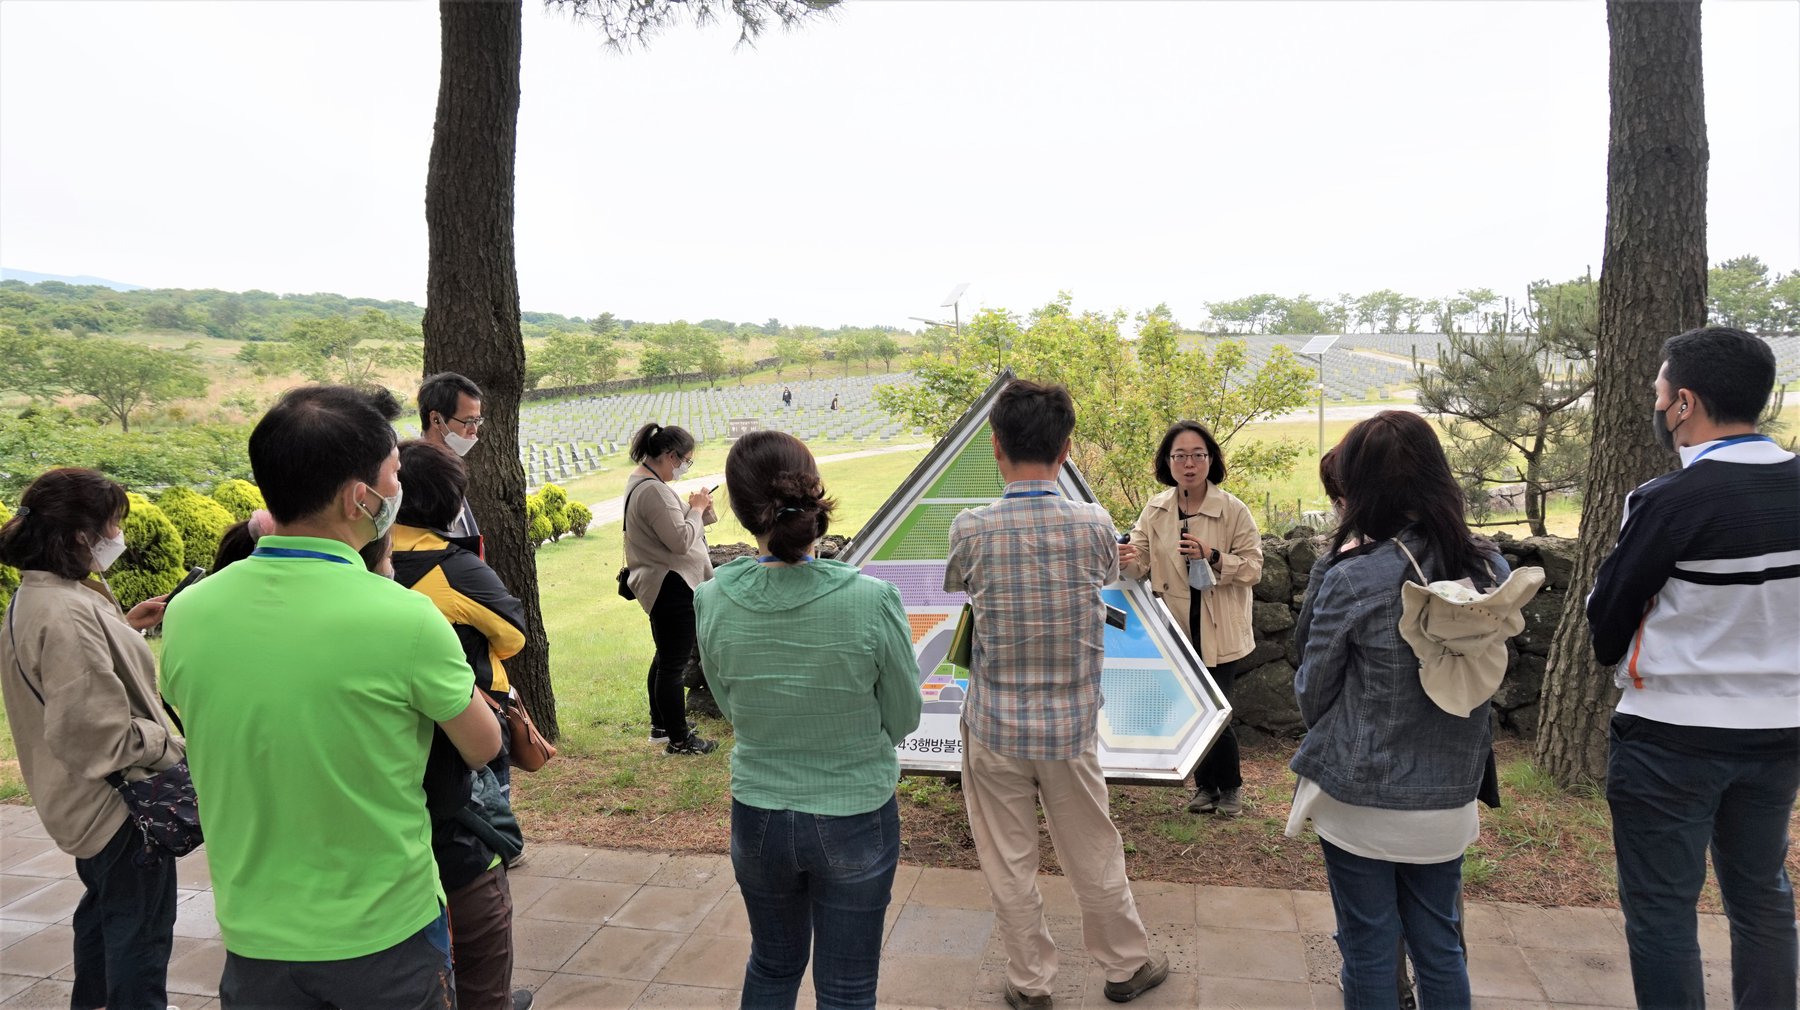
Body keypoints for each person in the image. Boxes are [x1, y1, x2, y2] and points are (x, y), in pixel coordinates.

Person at [162, 385, 501, 1007]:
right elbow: (482, 744)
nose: (398, 490)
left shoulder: (188, 612)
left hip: (254, 932)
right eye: (393, 474)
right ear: (359, 498)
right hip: (384, 931)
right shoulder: (403, 617)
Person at [1587, 326, 1798, 1010]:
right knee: (1762, 893)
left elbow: (1609, 616)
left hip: (1671, 735)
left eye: (1658, 393)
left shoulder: (1669, 500)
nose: (1656, 406)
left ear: (1683, 404)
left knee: (1663, 912)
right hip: (1782, 731)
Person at [944, 379, 1168, 1010]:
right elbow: (1105, 575)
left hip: (993, 726)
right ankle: (1125, 967)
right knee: (1093, 847)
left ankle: (1031, 983)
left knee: (1008, 861)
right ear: (1067, 448)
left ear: (995, 446)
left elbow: (959, 583)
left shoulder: (971, 529)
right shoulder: (1095, 524)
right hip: (1070, 727)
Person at [1286, 410, 1509, 1008]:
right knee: (1440, 944)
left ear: (1361, 486)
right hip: (1449, 796)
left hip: (1362, 796)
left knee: (1368, 944)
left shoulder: (1354, 575)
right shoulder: (1488, 569)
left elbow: (1313, 689)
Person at [693, 430, 922, 1010]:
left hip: (759, 814)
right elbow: (903, 715)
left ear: (745, 512)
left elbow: (728, 701)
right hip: (854, 810)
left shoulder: (713, 598)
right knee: (847, 987)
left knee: (771, 963)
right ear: (813, 490)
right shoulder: (871, 600)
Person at [0, 469, 181, 1010]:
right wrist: (169, 745)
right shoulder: (67, 611)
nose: (117, 536)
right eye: (114, 525)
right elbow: (98, 737)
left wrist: (124, 625)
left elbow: (75, 681)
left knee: (106, 916)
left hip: (80, 803)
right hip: (116, 806)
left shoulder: (45, 597)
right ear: (82, 535)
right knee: (140, 932)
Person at [389, 439, 534, 1010]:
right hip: (463, 721)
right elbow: (512, 634)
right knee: (476, 847)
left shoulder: (366, 560)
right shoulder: (450, 566)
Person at [1123, 420, 1264, 817]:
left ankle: (1231, 787)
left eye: (1197, 455)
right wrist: (1125, 560)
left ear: (1211, 460)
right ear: (1167, 463)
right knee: (1191, 708)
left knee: (1216, 709)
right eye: (1180, 456)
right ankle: (1205, 787)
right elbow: (1141, 561)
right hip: (1177, 628)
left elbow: (1254, 568)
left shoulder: (1233, 510)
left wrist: (1214, 556)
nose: (1189, 464)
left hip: (1220, 626)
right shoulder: (1156, 509)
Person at [622, 422, 719, 755]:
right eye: (686, 460)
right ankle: (679, 740)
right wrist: (695, 508)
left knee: (665, 658)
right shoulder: (653, 490)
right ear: (669, 455)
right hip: (672, 585)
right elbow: (680, 541)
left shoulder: (646, 482)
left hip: (664, 584)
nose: (685, 467)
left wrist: (698, 509)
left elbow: (674, 530)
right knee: (672, 665)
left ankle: (662, 726)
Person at [418, 371, 485, 541]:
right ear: (436, 419)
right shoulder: (419, 474)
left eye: (477, 421)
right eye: (468, 421)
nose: (474, 430)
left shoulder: (448, 465)